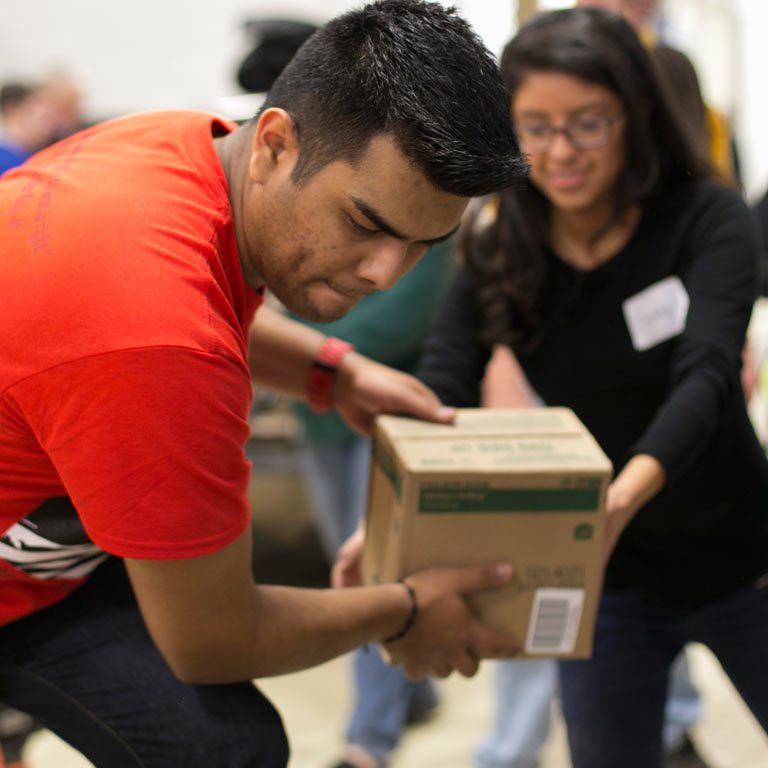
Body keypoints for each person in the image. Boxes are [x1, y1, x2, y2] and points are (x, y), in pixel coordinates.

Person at [0, 2, 528, 766]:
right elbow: (213, 641)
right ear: (276, 144)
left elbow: (199, 303)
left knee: (220, 743)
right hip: (20, 583)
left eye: (423, 244)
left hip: (46, 539)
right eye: (364, 222)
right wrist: (408, 609)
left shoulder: (179, 147)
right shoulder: (158, 340)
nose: (384, 273)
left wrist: (334, 372)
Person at [404, 7, 768, 768]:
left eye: (587, 125)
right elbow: (440, 386)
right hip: (607, 581)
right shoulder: (502, 247)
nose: (560, 152)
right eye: (533, 127)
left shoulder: (706, 221)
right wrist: (399, 519)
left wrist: (617, 500)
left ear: (634, 115)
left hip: (742, 555)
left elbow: (707, 375)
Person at [291, 239, 457, 768]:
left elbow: (395, 325)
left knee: (372, 579)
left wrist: (305, 349)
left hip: (383, 423)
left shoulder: (425, 232)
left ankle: (368, 742)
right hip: (320, 420)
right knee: (352, 567)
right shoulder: (328, 225)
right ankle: (416, 691)